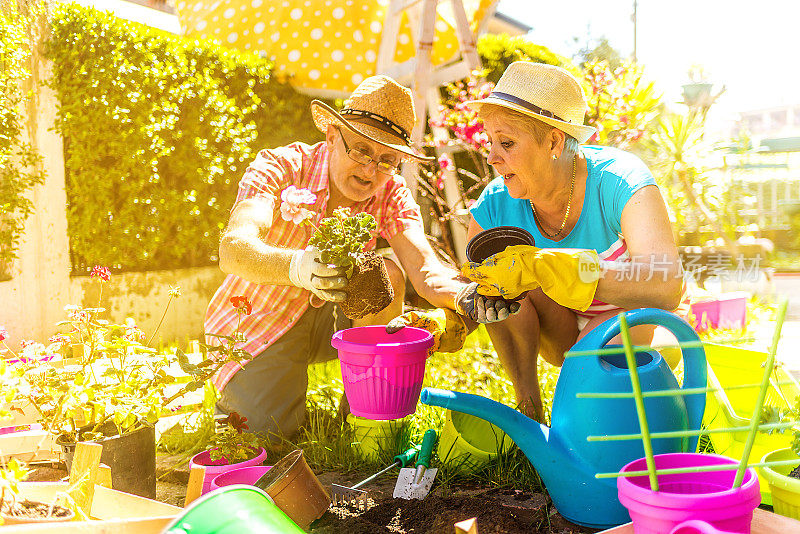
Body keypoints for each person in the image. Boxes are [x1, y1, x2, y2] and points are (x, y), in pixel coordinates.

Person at [204, 75, 515, 438]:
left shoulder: (391, 193)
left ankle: (365, 416)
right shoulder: (283, 166)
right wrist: (301, 267)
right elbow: (234, 249)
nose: (370, 171)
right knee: (265, 436)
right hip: (259, 320)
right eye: (361, 151)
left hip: (334, 317)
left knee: (387, 272)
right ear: (333, 135)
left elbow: (425, 269)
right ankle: (240, 399)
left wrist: (468, 295)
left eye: (387, 160)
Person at [460, 61, 687, 422]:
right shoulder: (495, 204)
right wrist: (448, 318)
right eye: (490, 142)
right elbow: (475, 292)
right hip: (560, 327)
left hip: (637, 319)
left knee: (589, 379)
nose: (491, 157)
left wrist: (570, 270)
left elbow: (666, 283)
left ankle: (602, 391)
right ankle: (528, 408)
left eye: (506, 143)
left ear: (553, 140)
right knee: (498, 282)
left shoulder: (621, 181)